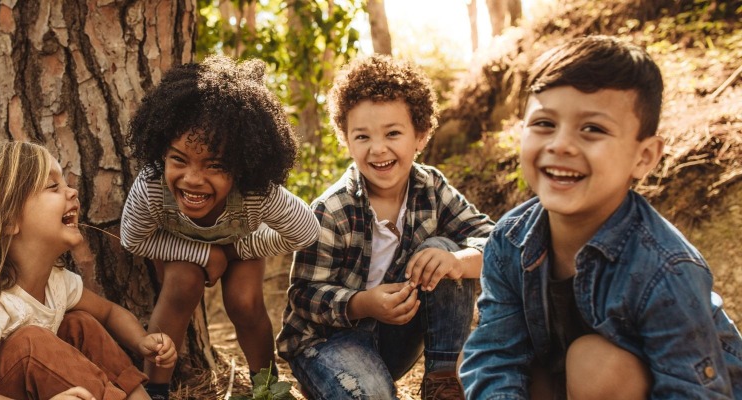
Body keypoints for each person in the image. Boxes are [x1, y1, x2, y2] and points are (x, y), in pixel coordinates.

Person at [460, 35, 742, 399]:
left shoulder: (666, 268)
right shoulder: (510, 240)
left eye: (592, 129)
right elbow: (495, 354)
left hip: (662, 387)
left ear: (643, 157)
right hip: (569, 380)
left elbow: (694, 392)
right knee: (485, 361)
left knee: (594, 364)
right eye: (544, 123)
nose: (560, 144)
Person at [277, 54, 496, 400]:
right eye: (362, 137)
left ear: (420, 136)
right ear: (347, 141)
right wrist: (362, 303)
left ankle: (442, 379)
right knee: (371, 394)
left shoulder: (431, 188)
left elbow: (496, 243)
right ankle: (336, 380)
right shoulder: (332, 209)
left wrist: (459, 261)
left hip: (395, 339)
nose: (378, 149)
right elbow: (303, 294)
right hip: (326, 341)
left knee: (443, 250)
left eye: (393, 133)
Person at [0, 141, 177, 400]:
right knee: (32, 342)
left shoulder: (57, 283)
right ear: (8, 220)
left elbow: (108, 312)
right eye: (52, 187)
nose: (72, 192)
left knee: (79, 324)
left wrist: (141, 341)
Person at [119, 55, 319, 399]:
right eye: (179, 159)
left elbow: (305, 232)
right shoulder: (151, 186)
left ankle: (267, 387)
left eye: (215, 165)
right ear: (161, 152)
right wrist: (200, 252)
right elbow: (133, 239)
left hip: (240, 244)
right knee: (183, 281)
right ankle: (155, 389)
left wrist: (233, 249)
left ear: (242, 166)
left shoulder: (258, 193)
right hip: (179, 248)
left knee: (244, 302)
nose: (193, 179)